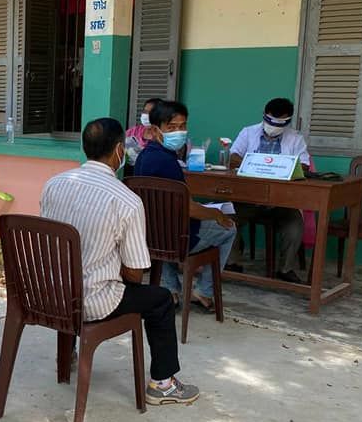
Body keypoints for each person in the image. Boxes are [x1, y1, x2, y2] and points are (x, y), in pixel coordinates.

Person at [41, 118, 199, 405]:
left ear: (85, 148)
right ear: (118, 151)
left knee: (83, 270)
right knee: (161, 300)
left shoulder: (54, 184)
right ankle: (163, 383)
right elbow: (135, 273)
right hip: (91, 301)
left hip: (50, 294)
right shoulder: (126, 200)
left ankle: (68, 353)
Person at [132, 101, 236, 312]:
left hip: (150, 236)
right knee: (229, 228)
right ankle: (204, 291)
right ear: (156, 130)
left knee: (164, 226)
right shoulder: (166, 161)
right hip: (178, 238)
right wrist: (216, 214)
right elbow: (188, 209)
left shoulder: (144, 156)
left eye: (182, 126)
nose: (178, 132)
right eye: (172, 127)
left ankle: (171, 289)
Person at [228, 98, 311, 283]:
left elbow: (305, 166)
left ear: (288, 121)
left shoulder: (296, 138)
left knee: (295, 225)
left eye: (280, 123)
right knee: (228, 216)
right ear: (264, 115)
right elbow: (233, 158)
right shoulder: (248, 132)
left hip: (282, 201)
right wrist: (256, 164)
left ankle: (285, 269)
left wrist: (280, 166)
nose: (274, 126)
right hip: (249, 198)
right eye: (271, 121)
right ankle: (232, 263)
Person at [124, 97, 162, 164]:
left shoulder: (164, 135)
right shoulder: (134, 131)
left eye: (151, 112)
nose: (147, 115)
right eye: (145, 112)